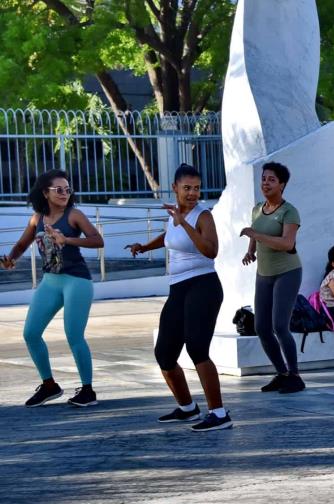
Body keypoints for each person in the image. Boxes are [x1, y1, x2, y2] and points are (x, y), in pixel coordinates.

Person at [127, 164, 232, 431]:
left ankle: (219, 414)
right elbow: (169, 236)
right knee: (164, 353)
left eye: (196, 188)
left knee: (197, 348)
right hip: (179, 289)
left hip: (204, 286)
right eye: (187, 188)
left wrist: (184, 222)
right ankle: (187, 408)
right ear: (175, 187)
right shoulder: (174, 214)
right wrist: (144, 246)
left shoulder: (203, 216)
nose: (192, 193)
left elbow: (211, 251)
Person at [2, 170, 103, 408]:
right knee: (30, 333)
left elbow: (97, 240)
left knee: (74, 335)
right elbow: (22, 244)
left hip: (76, 281)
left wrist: (67, 240)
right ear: (45, 193)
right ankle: (49, 386)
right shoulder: (37, 218)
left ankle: (87, 390)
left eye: (67, 189)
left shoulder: (74, 215)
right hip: (50, 281)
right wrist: (11, 258)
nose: (64, 193)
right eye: (59, 189)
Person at [240, 162, 306, 394]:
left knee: (279, 325)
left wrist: (255, 235)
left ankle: (295, 376)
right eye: (264, 179)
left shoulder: (289, 211)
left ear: (282, 185)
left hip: (287, 272)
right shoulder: (258, 209)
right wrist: (251, 250)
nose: (266, 183)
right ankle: (281, 373)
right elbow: (256, 232)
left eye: (271, 180)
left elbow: (287, 243)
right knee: (261, 327)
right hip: (264, 274)